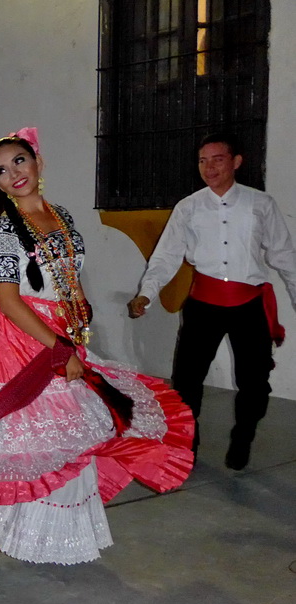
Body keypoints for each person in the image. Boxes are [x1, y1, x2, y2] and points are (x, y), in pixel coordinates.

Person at [0, 129, 194, 575]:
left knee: (65, 430)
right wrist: (59, 348)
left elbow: (72, 276)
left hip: (60, 329)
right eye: (1, 171)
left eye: (19, 162)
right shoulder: (5, 231)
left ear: (38, 163)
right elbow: (7, 302)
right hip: (14, 338)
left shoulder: (61, 216)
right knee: (5, 436)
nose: (14, 174)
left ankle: (46, 529)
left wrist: (79, 324)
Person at [127, 133, 296, 470]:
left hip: (249, 304)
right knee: (186, 379)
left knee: (254, 381)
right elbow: (166, 256)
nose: (209, 167)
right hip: (203, 304)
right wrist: (147, 292)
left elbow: (285, 257)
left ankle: (244, 435)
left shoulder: (260, 204)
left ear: (236, 162)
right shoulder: (188, 207)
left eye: (218, 159)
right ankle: (188, 440)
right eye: (203, 160)